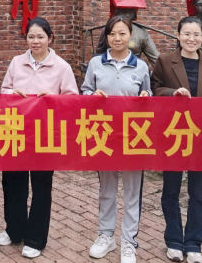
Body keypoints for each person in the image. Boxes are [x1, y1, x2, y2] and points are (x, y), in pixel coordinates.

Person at [0, 17, 78, 259]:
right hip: (16, 131)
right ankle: (14, 230)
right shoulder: (16, 62)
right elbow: (3, 91)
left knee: (41, 186)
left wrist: (53, 98)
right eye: (31, 36)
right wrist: (12, 93)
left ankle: (35, 238)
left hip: (46, 134)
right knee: (13, 183)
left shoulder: (62, 67)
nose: (35, 41)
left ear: (50, 38)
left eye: (40, 36)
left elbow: (72, 100)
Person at [151, 16, 202, 263]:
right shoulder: (164, 61)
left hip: (201, 136)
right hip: (173, 134)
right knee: (170, 190)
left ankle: (194, 243)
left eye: (196, 34)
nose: (191, 39)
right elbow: (155, 89)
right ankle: (173, 240)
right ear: (178, 35)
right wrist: (173, 93)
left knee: (198, 193)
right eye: (187, 34)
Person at [81, 15, 151, 263]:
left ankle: (129, 242)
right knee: (107, 189)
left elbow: (148, 93)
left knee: (132, 192)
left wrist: (146, 95)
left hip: (133, 137)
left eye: (122, 33)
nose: (117, 38)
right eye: (112, 34)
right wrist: (92, 96)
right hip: (105, 135)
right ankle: (106, 235)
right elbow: (85, 91)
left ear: (131, 35)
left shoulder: (141, 67)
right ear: (107, 37)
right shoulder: (95, 63)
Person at [109, 0, 160, 66]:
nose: (126, 15)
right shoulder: (108, 30)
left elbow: (155, 58)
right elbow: (99, 55)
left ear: (134, 14)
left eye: (130, 12)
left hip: (134, 68)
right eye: (123, 11)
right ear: (117, 13)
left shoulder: (140, 32)